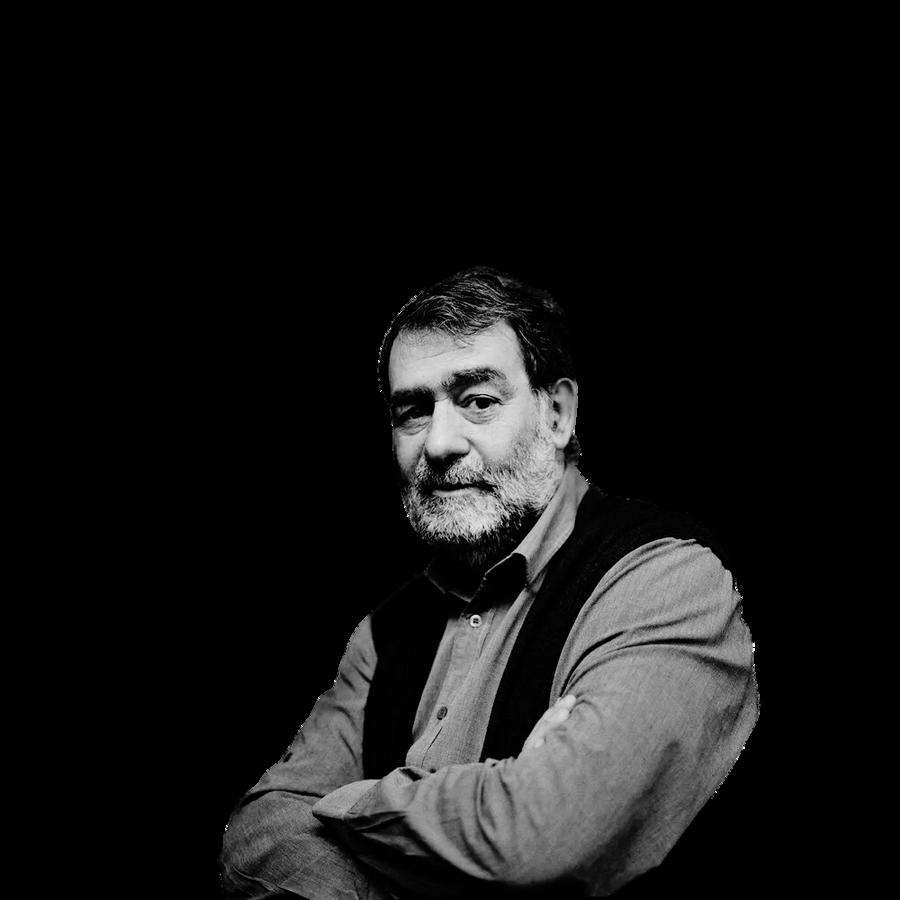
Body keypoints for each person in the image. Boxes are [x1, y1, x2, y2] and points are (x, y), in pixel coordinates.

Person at [220, 266, 759, 898]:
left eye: (478, 400)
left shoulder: (665, 578)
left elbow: (543, 835)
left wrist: (345, 805)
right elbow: (254, 835)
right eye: (413, 411)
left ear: (557, 414)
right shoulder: (383, 635)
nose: (439, 443)